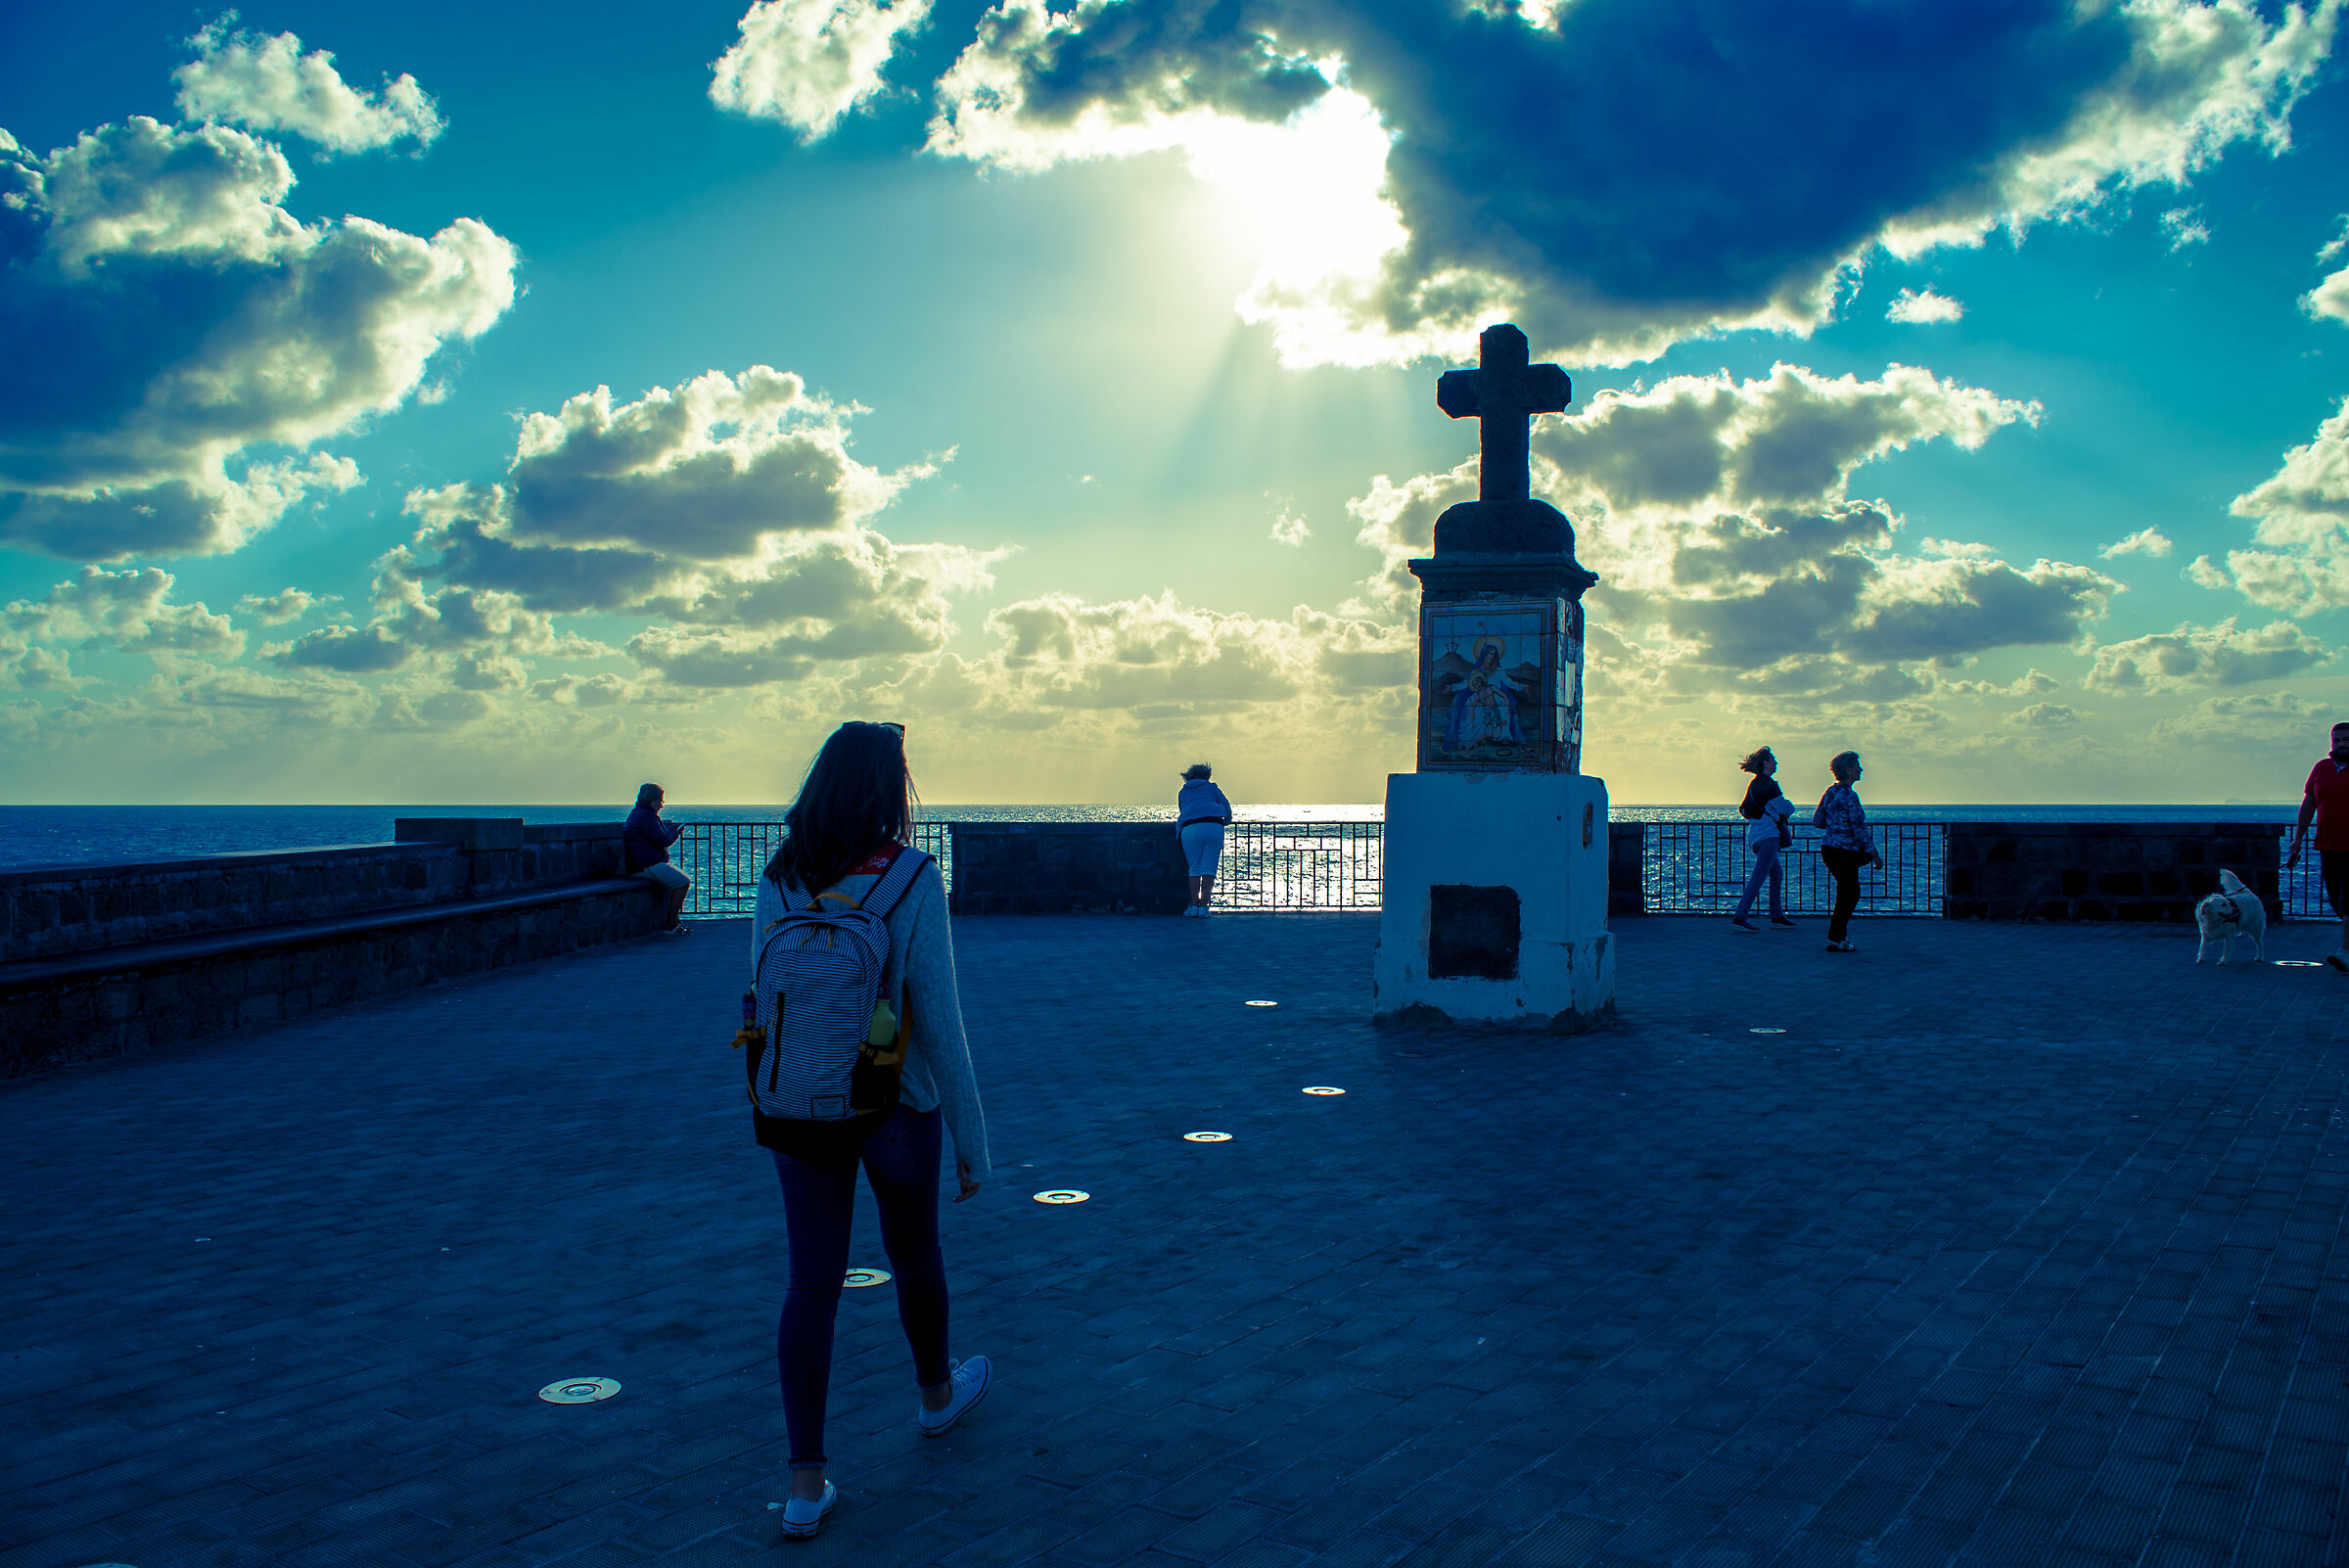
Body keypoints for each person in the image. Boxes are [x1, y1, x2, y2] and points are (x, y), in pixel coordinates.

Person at [752, 721, 990, 1538]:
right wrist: (972, 1141)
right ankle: (935, 1397)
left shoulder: (780, 876)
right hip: (894, 1099)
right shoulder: (912, 876)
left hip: (799, 1102)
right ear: (890, 789)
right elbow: (939, 1019)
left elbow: (766, 997)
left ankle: (804, 1485)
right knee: (914, 1253)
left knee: (810, 1284)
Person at [2283, 719, 2349, 971]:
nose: (2341, 745)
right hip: (2328, 845)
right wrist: (2298, 839)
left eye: (2346, 740)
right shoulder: (2321, 768)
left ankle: (2346, 952)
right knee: (2336, 900)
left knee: (2348, 900)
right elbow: (2309, 803)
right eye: (2337, 740)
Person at [1812, 751, 1879, 952]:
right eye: (1858, 766)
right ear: (1848, 770)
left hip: (1829, 849)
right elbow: (1858, 827)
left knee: (1846, 893)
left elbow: (1817, 820)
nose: (1861, 769)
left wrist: (1835, 826)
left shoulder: (1831, 792)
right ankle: (1836, 938)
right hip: (1844, 851)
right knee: (1849, 895)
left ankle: (1838, 937)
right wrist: (1874, 854)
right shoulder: (1850, 795)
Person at [1729, 747, 1797, 932]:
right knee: (1758, 878)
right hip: (1769, 836)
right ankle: (1740, 917)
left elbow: (1745, 809)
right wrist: (1788, 806)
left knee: (1776, 874)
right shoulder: (1769, 785)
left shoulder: (1754, 784)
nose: (1776, 763)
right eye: (1773, 760)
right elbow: (1786, 808)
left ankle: (1777, 916)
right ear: (1766, 763)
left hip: (1756, 836)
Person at [622, 782, 691, 934]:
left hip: (640, 862)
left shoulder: (639, 813)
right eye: (660, 801)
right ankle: (671, 924)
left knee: (675, 879)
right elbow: (663, 840)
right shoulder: (646, 816)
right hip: (646, 864)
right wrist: (675, 832)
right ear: (651, 800)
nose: (661, 805)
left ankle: (675, 921)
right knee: (683, 882)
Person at [1176, 762, 1233, 916]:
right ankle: (1204, 908)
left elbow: (1182, 810)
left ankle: (1194, 906)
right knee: (1209, 869)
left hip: (1190, 828)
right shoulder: (1212, 788)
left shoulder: (1183, 791)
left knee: (1194, 869)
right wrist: (1227, 820)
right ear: (1206, 776)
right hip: (1213, 826)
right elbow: (1226, 805)